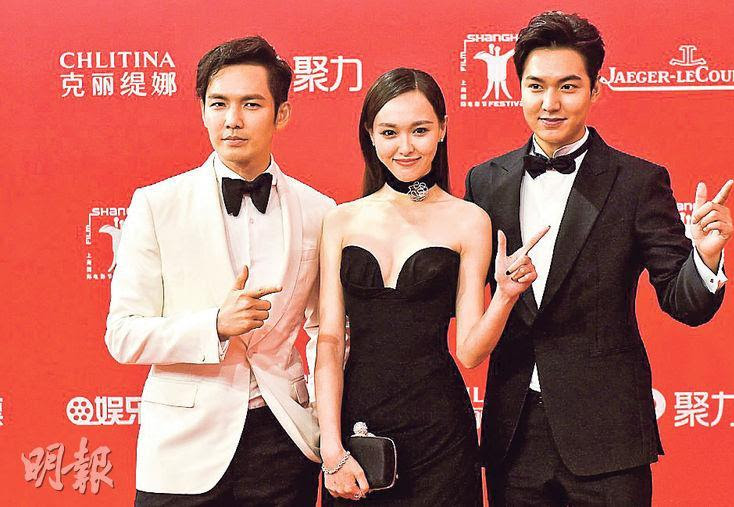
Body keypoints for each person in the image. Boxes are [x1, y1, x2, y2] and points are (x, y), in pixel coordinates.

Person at [464, 11, 734, 505]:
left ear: (595, 91)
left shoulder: (637, 182)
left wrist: (706, 256)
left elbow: (684, 301)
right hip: (514, 433)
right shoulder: (484, 182)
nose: (549, 103)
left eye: (568, 87)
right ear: (518, 89)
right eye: (536, 86)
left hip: (609, 434)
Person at [105, 35, 334, 505]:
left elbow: (327, 333)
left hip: (283, 440)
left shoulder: (320, 211)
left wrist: (323, 425)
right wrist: (214, 325)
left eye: (251, 104)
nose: (232, 120)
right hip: (182, 446)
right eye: (218, 104)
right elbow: (123, 335)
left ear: (282, 114)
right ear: (202, 112)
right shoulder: (157, 205)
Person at [312, 68, 548, 505]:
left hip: (440, 433)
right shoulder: (340, 220)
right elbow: (328, 339)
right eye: (390, 132)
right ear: (370, 135)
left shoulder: (469, 220)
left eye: (419, 130)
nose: (405, 147)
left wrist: (504, 296)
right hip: (356, 430)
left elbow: (470, 352)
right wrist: (331, 447)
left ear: (442, 129)